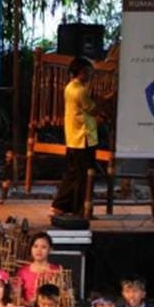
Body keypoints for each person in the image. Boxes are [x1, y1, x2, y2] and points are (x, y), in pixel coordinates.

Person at [52, 56, 98, 217]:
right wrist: (107, 99)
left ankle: (60, 206)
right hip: (82, 138)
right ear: (81, 72)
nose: (90, 75)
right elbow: (92, 109)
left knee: (73, 174)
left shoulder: (69, 87)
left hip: (74, 138)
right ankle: (79, 210)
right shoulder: (80, 90)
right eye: (88, 72)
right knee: (82, 177)